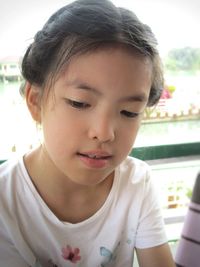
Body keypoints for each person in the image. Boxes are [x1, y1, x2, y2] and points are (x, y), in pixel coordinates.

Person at [0, 0, 175, 266]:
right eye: (79, 103)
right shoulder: (6, 200)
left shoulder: (136, 184)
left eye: (129, 112)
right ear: (35, 101)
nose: (104, 133)